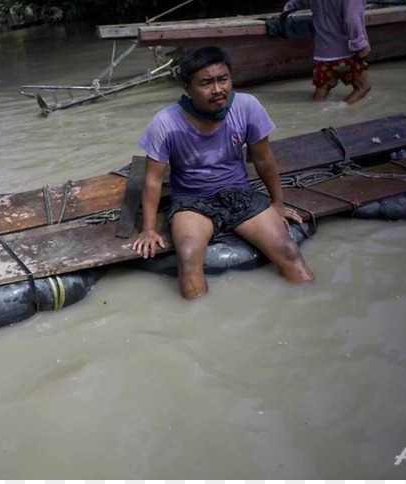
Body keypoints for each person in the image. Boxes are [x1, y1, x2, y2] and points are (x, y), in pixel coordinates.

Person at [132, 46, 314, 299]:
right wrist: (149, 229)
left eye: (223, 79)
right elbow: (152, 179)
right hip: (191, 200)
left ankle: (308, 302)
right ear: (187, 88)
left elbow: (263, 158)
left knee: (289, 251)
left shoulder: (247, 106)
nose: (218, 89)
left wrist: (277, 203)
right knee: (187, 257)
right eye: (206, 83)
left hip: (238, 193)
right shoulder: (165, 123)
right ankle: (200, 322)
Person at [281, 0, 372, 104]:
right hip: (345, 54)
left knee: (320, 94)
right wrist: (359, 45)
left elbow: (298, 2)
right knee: (363, 87)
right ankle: (341, 110)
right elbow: (351, 19)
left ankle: (316, 113)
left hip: (322, 57)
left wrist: (285, 12)